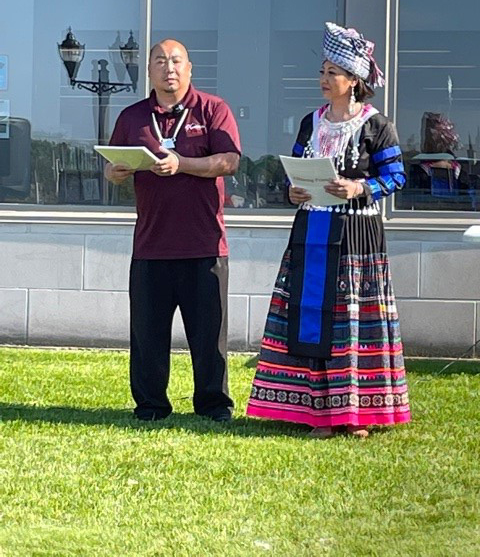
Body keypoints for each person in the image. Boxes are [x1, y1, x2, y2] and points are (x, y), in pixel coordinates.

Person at [246, 22, 411, 438]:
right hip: (312, 227)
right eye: (322, 72)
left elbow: (395, 178)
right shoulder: (311, 122)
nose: (323, 80)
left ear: (354, 80)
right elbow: (295, 168)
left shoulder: (377, 126)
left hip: (356, 235)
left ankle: (354, 412)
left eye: (332, 73)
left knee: (350, 317)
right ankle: (316, 410)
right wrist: (293, 190)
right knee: (310, 312)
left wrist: (359, 186)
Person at [105, 39, 241, 422]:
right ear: (149, 70)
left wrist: (182, 164)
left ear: (190, 68)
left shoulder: (213, 110)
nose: (169, 68)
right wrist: (114, 172)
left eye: (177, 60)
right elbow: (113, 168)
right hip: (150, 246)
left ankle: (214, 406)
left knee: (209, 336)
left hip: (204, 245)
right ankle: (150, 406)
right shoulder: (132, 117)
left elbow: (229, 162)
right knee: (148, 337)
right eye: (160, 61)